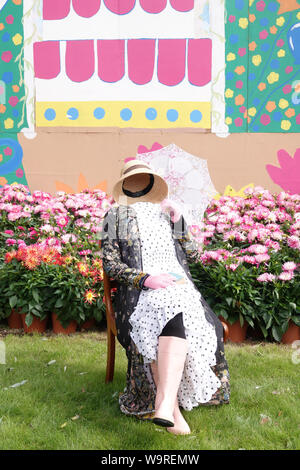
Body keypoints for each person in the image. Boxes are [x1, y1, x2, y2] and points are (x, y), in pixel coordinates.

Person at [101, 159, 230, 435]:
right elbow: (110, 265)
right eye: (134, 180)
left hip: (179, 287)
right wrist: (146, 279)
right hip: (139, 291)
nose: (138, 185)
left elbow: (194, 256)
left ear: (152, 182)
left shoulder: (167, 212)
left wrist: (179, 221)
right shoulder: (115, 217)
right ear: (125, 185)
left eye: (143, 179)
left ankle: (165, 404)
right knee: (164, 311)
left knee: (178, 308)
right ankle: (172, 410)